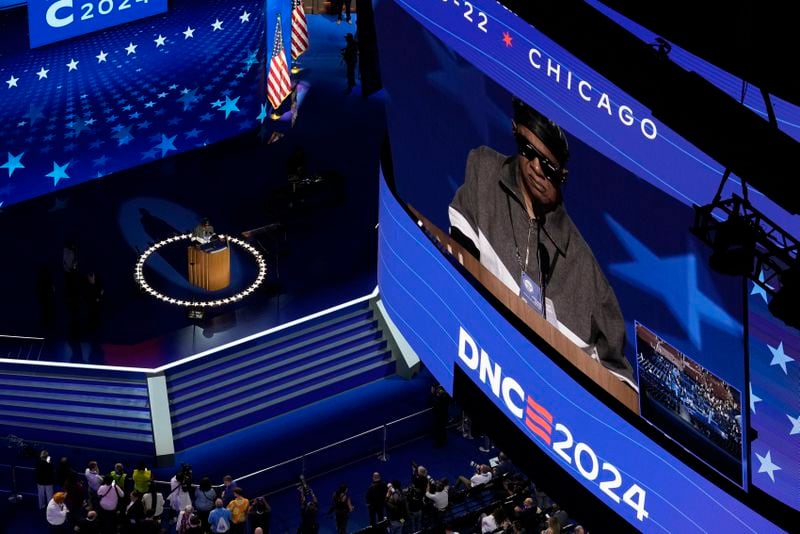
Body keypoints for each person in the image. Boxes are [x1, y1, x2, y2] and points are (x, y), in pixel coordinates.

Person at [448, 96, 635, 385]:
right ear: (514, 132)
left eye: (547, 166)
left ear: (563, 174)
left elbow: (619, 382)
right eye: (527, 150)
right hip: (477, 359)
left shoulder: (586, 271)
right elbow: (457, 263)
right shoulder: (484, 173)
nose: (535, 168)